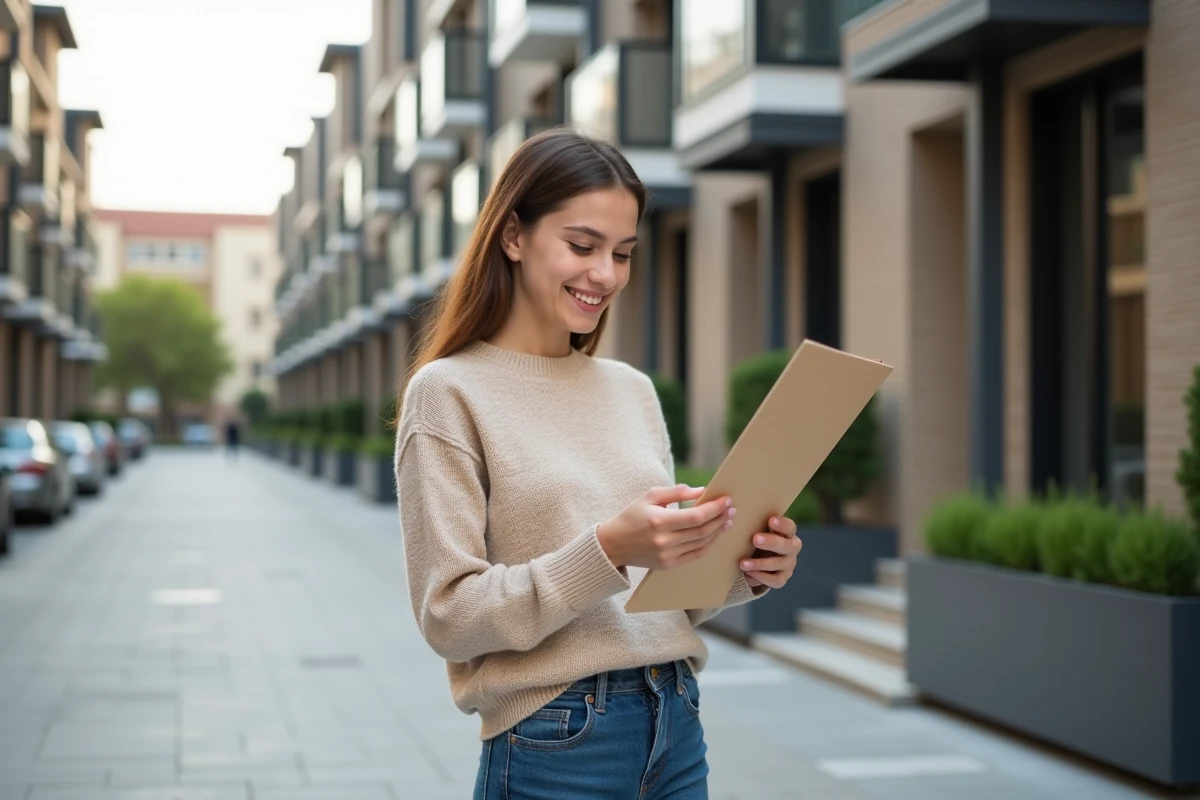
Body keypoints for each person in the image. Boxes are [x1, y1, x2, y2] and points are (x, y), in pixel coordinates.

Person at [393, 128, 804, 799]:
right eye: (582, 246)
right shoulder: (447, 393)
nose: (606, 274)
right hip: (555, 737)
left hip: (675, 717)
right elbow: (450, 615)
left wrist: (745, 570)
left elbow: (661, 602)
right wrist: (608, 549)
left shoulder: (631, 389)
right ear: (514, 236)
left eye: (622, 253)